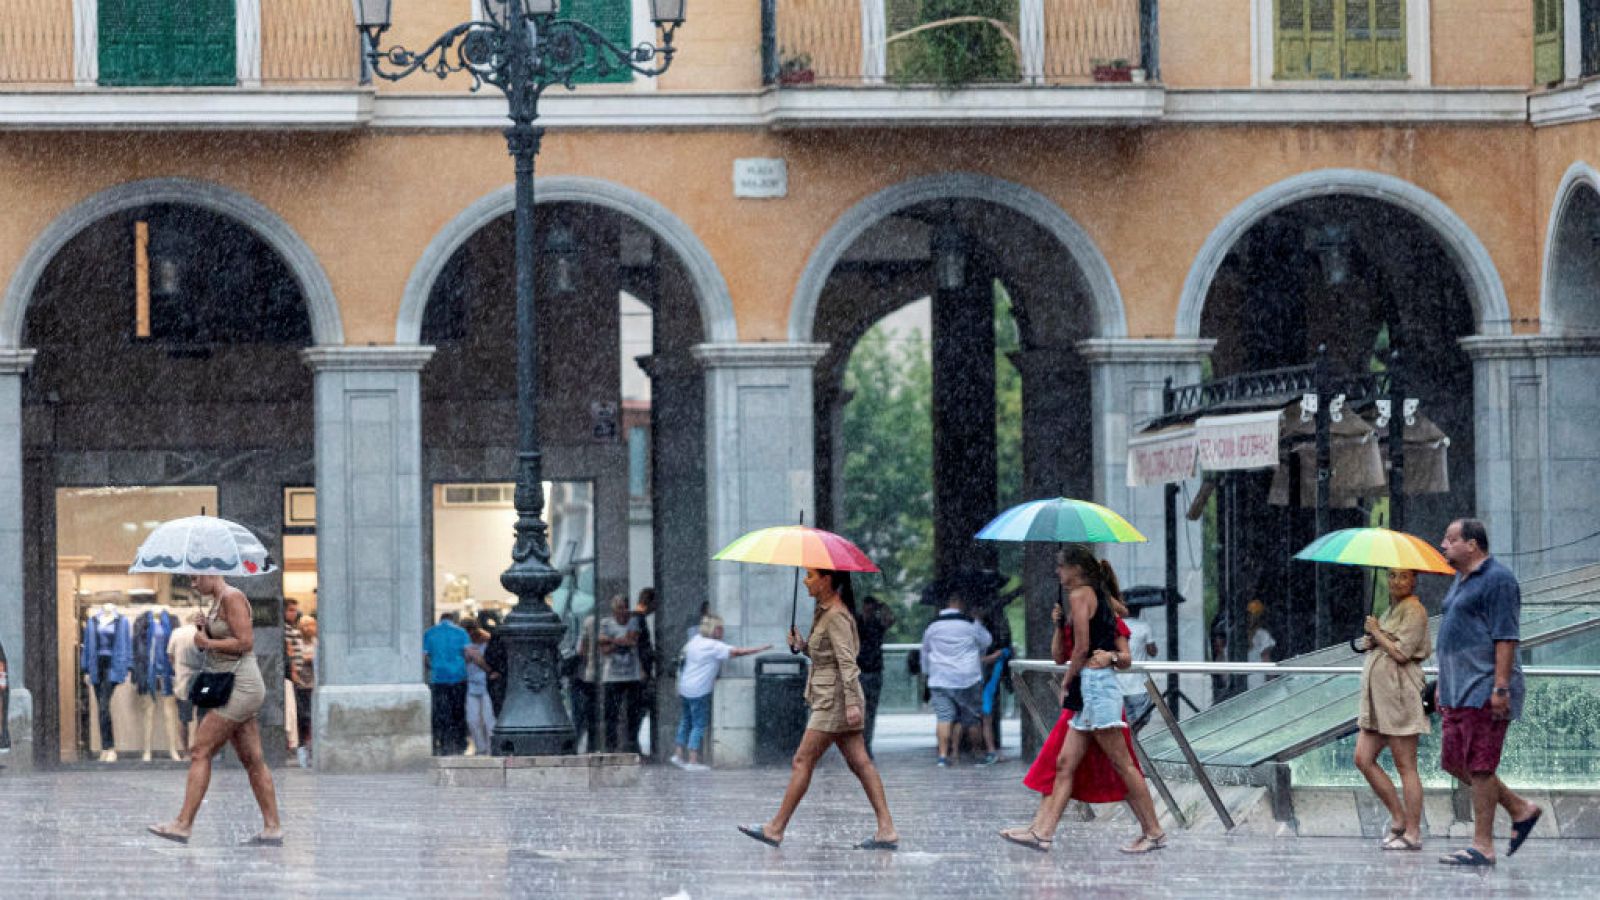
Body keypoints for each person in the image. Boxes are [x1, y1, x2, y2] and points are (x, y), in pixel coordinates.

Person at [1000, 544, 1165, 855]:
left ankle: (1154, 831)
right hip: (1091, 689)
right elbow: (1075, 647)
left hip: (1096, 688)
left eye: (1061, 567)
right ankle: (1043, 833)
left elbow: (1080, 648)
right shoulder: (1096, 597)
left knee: (1123, 763)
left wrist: (1067, 679)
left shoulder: (1080, 596)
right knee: (1064, 763)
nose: (1057, 573)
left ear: (1076, 569)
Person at [739, 568, 899, 851]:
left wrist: (851, 703)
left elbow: (848, 662)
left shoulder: (836, 615)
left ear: (827, 581)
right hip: (831, 696)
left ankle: (775, 828)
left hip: (834, 700)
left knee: (802, 760)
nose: (805, 580)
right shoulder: (827, 612)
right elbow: (828, 656)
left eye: (811, 576)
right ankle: (886, 829)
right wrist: (802, 646)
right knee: (860, 763)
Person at [1435, 519, 1541, 867]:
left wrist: (1500, 687)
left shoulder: (1499, 580)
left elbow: (1506, 636)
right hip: (1456, 690)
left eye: (1451, 540)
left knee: (1481, 766)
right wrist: (1442, 684)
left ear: (1472, 544)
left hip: (1484, 688)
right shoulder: (1460, 580)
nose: (1443, 545)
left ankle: (1483, 846)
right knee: (1454, 761)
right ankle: (1518, 808)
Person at [147, 574, 281, 846]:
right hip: (230, 685)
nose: (193, 584)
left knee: (200, 750)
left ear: (211, 573)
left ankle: (183, 824)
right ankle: (273, 827)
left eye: (196, 579)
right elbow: (226, 640)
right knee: (252, 759)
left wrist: (207, 642)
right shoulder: (218, 601)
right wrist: (206, 628)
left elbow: (245, 643)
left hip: (241, 686)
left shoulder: (232, 597)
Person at [1353, 568, 1431, 852]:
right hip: (1377, 700)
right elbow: (1387, 644)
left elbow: (1401, 652)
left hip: (1399, 697)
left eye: (1403, 576)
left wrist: (1377, 633)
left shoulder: (1415, 611)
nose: (1396, 582)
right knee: (1363, 758)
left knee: (1405, 765)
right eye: (1392, 576)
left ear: (1414, 580)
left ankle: (1413, 832)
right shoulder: (1391, 610)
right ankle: (1398, 817)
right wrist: (1373, 640)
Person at [671, 614, 770, 771]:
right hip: (699, 690)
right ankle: (692, 759)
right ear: (714, 629)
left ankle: (678, 754)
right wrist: (760, 649)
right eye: (720, 628)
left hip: (685, 688)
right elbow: (737, 652)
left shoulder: (695, 640)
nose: (722, 632)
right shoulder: (714, 646)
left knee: (686, 720)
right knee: (699, 724)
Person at [921, 592, 991, 767]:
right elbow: (986, 642)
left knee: (944, 717)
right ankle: (977, 753)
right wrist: (978, 621)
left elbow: (925, 652)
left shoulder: (932, 627)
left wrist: (927, 672)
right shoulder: (970, 626)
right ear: (960, 603)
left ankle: (943, 756)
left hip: (940, 678)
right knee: (972, 718)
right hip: (967, 678)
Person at [423, 612, 471, 756]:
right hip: (458, 677)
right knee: (458, 710)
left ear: (440, 620)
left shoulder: (430, 633)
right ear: (453, 620)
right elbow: (468, 653)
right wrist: (462, 664)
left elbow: (425, 657)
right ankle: (459, 741)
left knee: (441, 711)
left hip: (438, 678)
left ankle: (442, 740)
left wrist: (431, 667)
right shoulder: (461, 632)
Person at [853, 594, 895, 759]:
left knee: (870, 710)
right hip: (860, 671)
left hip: (874, 671)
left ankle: (866, 744)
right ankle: (859, 744)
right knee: (859, 710)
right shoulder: (856, 622)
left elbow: (890, 620)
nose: (870, 609)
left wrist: (883, 607)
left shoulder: (877, 624)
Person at [599, 594, 642, 753]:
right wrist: (619, 642)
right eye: (619, 608)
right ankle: (611, 746)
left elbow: (632, 641)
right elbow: (603, 648)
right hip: (612, 676)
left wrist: (611, 641)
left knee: (633, 713)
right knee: (611, 713)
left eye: (624, 608)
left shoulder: (633, 622)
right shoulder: (606, 623)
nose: (622, 612)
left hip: (632, 675)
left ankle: (632, 744)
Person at [1118, 605, 1160, 728]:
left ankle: (1130, 741)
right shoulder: (1144, 626)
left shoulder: (1117, 626)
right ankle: (1132, 741)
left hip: (1119, 683)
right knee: (1142, 718)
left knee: (1124, 721)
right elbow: (1153, 652)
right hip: (1139, 685)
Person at [628, 588, 658, 756]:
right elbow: (634, 646)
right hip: (641, 674)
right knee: (639, 708)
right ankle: (634, 745)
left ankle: (635, 745)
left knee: (640, 708)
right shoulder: (637, 619)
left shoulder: (638, 619)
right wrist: (640, 668)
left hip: (642, 671)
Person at [166, 617, 202, 757]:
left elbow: (170, 655)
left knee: (184, 718)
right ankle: (200, 749)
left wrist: (177, 667)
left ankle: (186, 751)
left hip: (183, 681)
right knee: (202, 716)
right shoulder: (205, 632)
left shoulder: (177, 633)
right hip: (202, 680)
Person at [464, 626, 497, 756]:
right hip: (471, 686)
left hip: (486, 687)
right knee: (472, 720)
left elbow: (488, 665)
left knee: (489, 719)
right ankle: (481, 747)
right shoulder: (467, 648)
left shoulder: (488, 647)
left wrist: (478, 659)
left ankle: (491, 747)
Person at [290, 617, 318, 769]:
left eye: (312, 625)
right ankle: (302, 751)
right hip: (301, 685)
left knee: (313, 718)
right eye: (306, 625)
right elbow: (294, 659)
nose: (309, 628)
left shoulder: (317, 642)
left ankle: (312, 749)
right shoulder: (297, 642)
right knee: (302, 719)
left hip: (314, 685)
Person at [1245, 599, 1276, 690]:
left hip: (1250, 678)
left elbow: (1266, 660)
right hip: (1251, 679)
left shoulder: (1262, 635)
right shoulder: (1262, 635)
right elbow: (1266, 660)